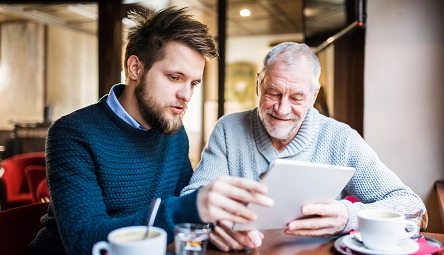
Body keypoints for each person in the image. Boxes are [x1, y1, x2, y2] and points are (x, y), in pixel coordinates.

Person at [26, 7, 273, 255]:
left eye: (193, 83)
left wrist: (220, 227)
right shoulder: (72, 133)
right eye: (175, 77)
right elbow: (84, 241)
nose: (186, 95)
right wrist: (191, 207)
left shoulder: (174, 133)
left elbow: (185, 216)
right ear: (135, 68)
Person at [181, 42, 426, 251]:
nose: (282, 109)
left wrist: (347, 217)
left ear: (313, 95)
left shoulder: (340, 138)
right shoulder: (228, 129)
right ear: (258, 85)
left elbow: (412, 205)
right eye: (273, 93)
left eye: (297, 98)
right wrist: (214, 223)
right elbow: (192, 197)